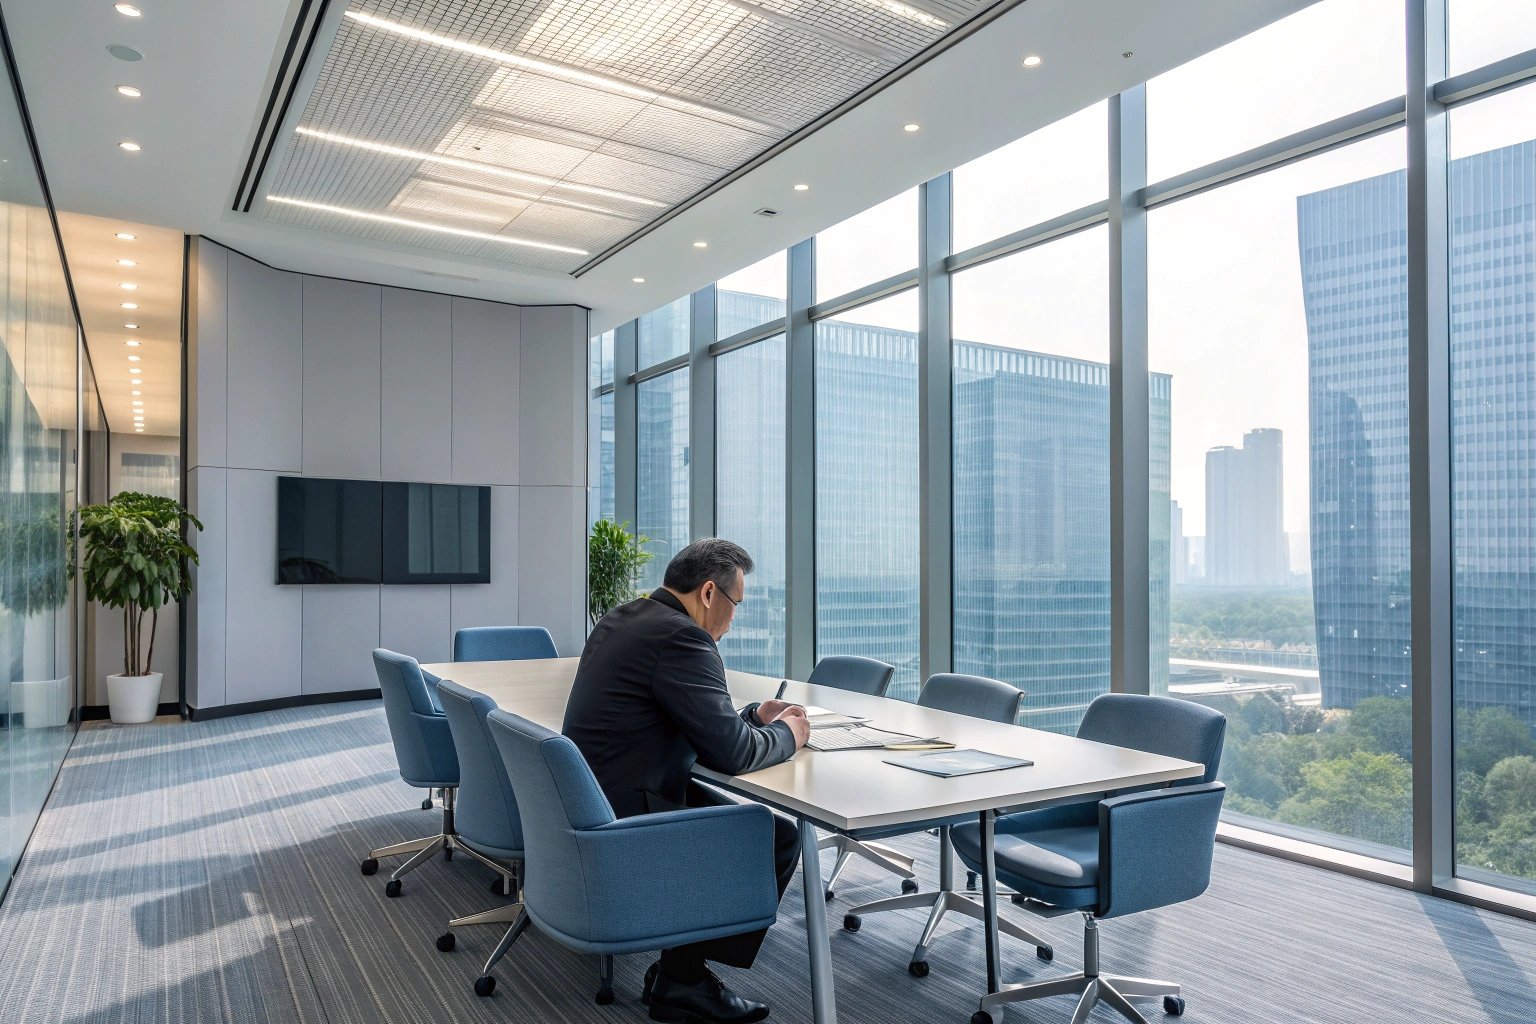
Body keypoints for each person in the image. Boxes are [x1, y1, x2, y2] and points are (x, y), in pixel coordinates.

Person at [563, 538, 810, 1024]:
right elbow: (735, 753)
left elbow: (684, 718)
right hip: (624, 811)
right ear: (709, 593)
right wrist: (790, 733)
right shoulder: (684, 638)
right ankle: (683, 978)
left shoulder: (626, 616)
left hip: (594, 792)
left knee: (747, 820)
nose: (734, 619)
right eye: (736, 604)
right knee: (773, 835)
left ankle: (679, 967)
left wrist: (752, 714)